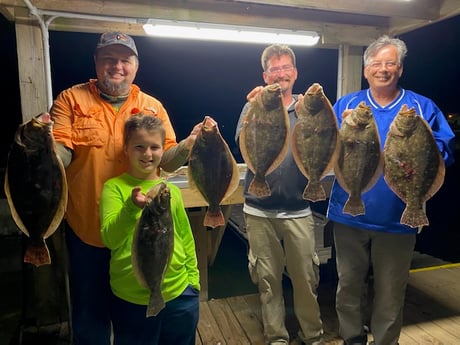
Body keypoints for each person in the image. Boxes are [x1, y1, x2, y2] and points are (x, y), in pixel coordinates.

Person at [50, 31, 201, 344]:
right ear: (96, 62)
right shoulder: (71, 100)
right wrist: (41, 148)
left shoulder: (152, 106)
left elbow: (169, 160)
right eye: (108, 58)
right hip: (88, 233)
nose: (116, 66)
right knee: (89, 315)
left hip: (142, 232)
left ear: (136, 65)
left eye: (124, 59)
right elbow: (61, 153)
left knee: (135, 315)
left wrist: (188, 145)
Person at [327, 35, 456, 345]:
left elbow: (445, 151)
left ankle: (386, 341)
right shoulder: (347, 105)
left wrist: (424, 140)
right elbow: (322, 148)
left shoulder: (421, 107)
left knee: (390, 289)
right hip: (349, 213)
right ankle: (352, 337)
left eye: (390, 63)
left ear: (400, 69)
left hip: (399, 218)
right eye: (376, 63)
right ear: (365, 69)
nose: (382, 69)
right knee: (348, 285)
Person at [235, 44, 324, 345]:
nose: (281, 73)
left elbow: (326, 139)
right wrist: (252, 111)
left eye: (286, 67)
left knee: (306, 279)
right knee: (268, 281)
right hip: (258, 209)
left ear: (295, 73)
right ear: (265, 74)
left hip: (299, 206)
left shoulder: (310, 106)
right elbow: (241, 142)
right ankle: (276, 337)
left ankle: (312, 335)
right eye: (275, 69)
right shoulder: (253, 105)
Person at [99, 114, 200, 345]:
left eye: (155, 147)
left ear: (163, 149)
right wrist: (131, 207)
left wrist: (193, 283)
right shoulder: (113, 188)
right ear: (126, 148)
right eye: (139, 147)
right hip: (131, 297)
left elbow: (185, 237)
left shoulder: (171, 192)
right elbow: (110, 239)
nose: (147, 154)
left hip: (179, 293)